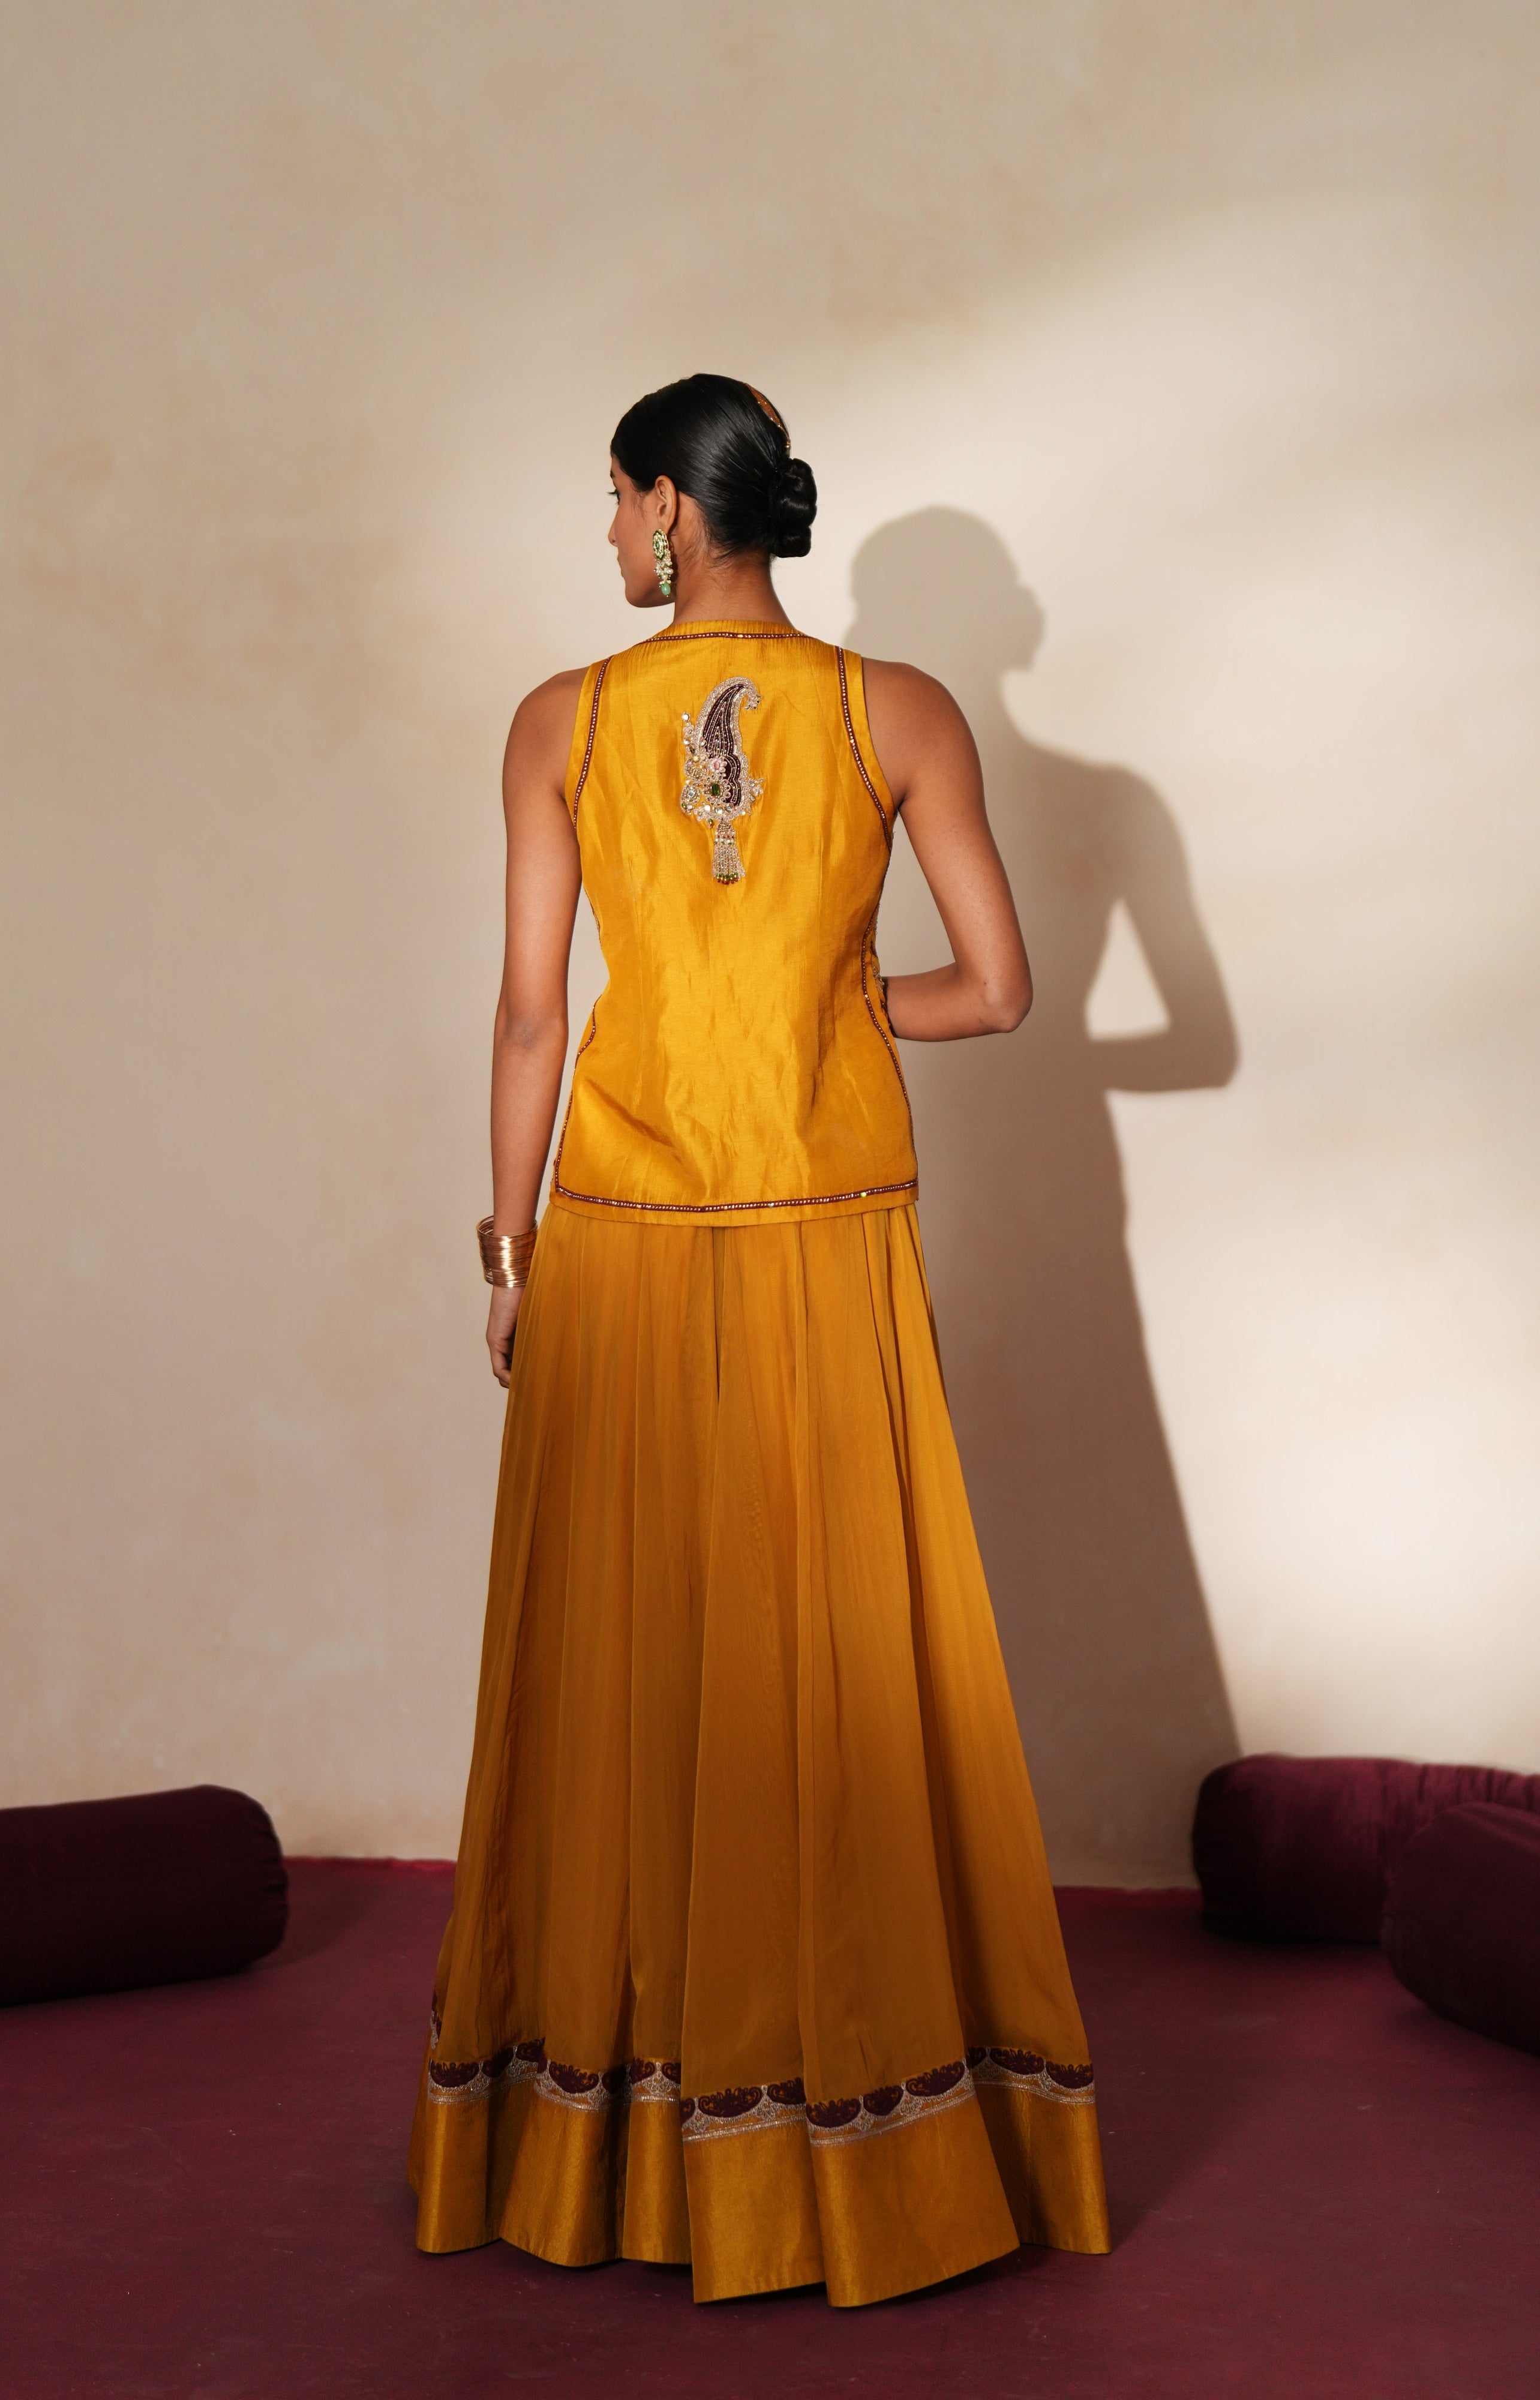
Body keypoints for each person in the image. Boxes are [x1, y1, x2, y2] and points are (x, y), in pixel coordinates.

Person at [409, 374, 1111, 2307]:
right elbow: (1000, 989)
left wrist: (508, 1248)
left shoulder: (564, 721)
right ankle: (867, 2136)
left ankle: (613, 2143)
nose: (608, 537)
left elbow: (533, 1019)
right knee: (838, 1647)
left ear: (665, 514)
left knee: (627, 1651)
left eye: (614, 504)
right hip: (822, 1232)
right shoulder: (900, 712)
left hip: (624, 1230)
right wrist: (832, 1006)